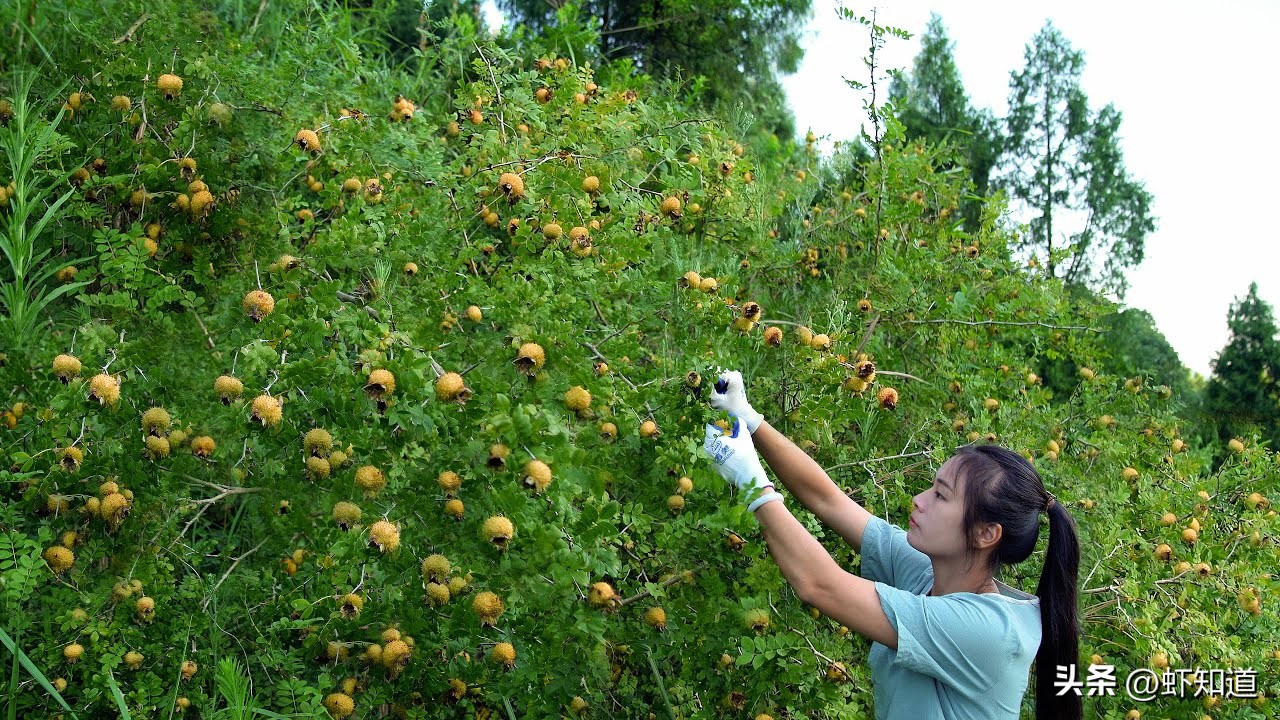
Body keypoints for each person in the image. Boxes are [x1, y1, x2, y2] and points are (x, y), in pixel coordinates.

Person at [702, 370, 1083, 720]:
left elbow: (819, 584)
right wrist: (749, 419)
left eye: (941, 496)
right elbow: (828, 500)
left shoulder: (988, 632)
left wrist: (752, 482)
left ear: (986, 534)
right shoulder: (929, 573)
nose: (919, 500)